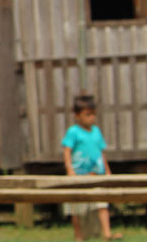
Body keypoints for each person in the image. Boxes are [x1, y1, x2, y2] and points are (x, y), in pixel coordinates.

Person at [63, 94, 122, 241]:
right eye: (87, 114)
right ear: (77, 115)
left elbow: (101, 152)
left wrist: (107, 170)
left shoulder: (96, 131)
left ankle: (107, 234)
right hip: (79, 175)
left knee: (102, 203)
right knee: (77, 208)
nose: (91, 118)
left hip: (96, 175)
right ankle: (79, 236)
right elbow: (67, 151)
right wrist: (69, 169)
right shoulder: (73, 132)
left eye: (93, 114)